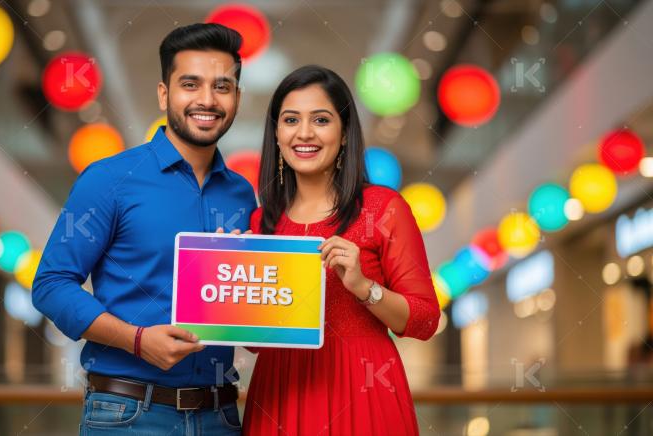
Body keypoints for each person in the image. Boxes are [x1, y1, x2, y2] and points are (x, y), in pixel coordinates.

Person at [32, 23, 257, 435]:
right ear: (164, 93)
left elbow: (244, 311)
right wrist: (137, 339)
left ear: (237, 97)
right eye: (191, 84)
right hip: (127, 414)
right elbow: (51, 285)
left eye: (222, 87)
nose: (207, 100)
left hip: (221, 416)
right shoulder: (109, 178)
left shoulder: (242, 194)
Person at [241, 65, 441, 435]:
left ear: (345, 133)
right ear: (277, 134)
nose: (304, 133)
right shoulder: (261, 222)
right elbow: (256, 344)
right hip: (279, 393)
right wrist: (226, 274)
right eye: (290, 120)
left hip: (364, 388)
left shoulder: (383, 208)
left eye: (320, 119)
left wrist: (365, 287)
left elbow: (426, 320)